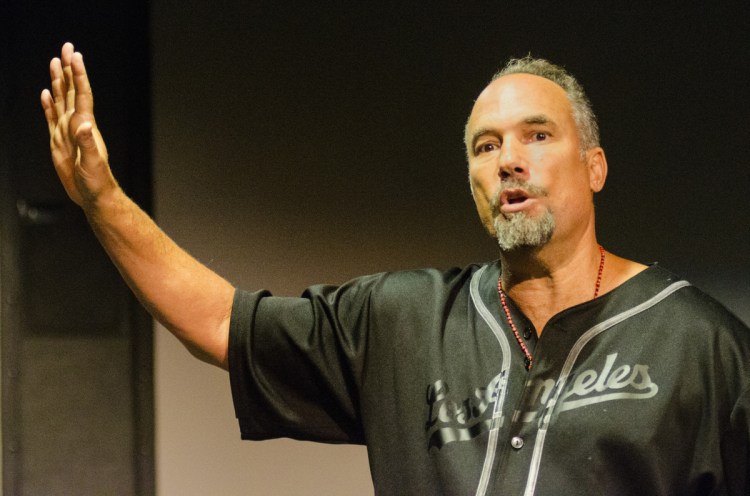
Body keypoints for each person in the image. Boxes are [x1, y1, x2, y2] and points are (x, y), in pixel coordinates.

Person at [42, 42, 749, 495]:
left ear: (593, 166)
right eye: (485, 145)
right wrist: (104, 202)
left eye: (538, 135)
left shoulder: (699, 343)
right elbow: (221, 322)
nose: (509, 159)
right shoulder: (406, 324)